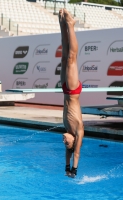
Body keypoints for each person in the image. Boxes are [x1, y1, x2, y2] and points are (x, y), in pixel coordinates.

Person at [59, 8, 84, 178]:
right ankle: (71, 25)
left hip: (65, 89)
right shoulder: (78, 130)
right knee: (71, 58)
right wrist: (73, 171)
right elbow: (76, 153)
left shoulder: (67, 129)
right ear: (73, 141)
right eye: (66, 141)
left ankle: (62, 25)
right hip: (73, 90)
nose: (63, 139)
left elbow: (68, 152)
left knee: (63, 57)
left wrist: (66, 168)